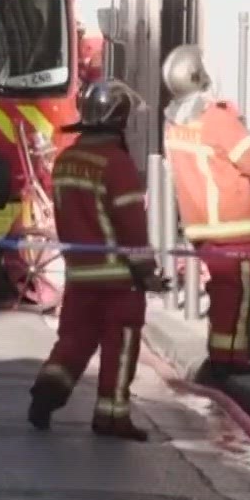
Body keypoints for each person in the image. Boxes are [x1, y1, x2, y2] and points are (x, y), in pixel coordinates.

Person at [27, 80, 161, 442]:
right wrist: (146, 271)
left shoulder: (68, 160)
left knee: (73, 339)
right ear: (119, 118)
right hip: (118, 278)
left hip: (80, 273)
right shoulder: (116, 163)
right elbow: (131, 225)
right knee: (120, 346)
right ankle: (112, 415)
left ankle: (47, 390)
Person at [161, 44, 250, 380]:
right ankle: (235, 359)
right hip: (233, 227)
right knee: (240, 297)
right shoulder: (216, 119)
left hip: (201, 228)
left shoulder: (173, 123)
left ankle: (220, 356)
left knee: (222, 294)